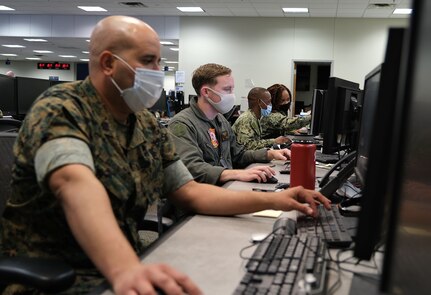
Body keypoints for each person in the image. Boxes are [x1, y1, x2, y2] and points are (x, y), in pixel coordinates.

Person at [0, 16, 330, 295]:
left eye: (159, 61)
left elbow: (190, 192)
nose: (157, 70)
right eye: (147, 61)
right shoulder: (62, 107)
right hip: (58, 276)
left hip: (122, 267)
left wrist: (278, 200)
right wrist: (126, 269)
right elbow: (75, 185)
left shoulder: (143, 122)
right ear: (108, 63)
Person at [168, 64, 291, 185]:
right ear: (206, 92)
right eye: (227, 89)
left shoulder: (220, 120)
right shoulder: (182, 124)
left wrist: (269, 154)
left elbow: (238, 154)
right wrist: (236, 174)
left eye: (232, 89)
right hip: (204, 196)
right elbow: (192, 167)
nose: (232, 95)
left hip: (227, 187)